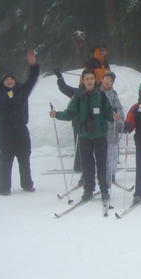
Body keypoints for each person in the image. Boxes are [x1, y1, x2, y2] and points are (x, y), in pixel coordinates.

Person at [0, 43, 39, 195]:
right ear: (2, 83)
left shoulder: (23, 90)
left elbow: (32, 78)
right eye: (6, 79)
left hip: (21, 131)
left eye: (12, 79)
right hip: (5, 132)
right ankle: (4, 188)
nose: (10, 81)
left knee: (24, 160)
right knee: (5, 161)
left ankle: (27, 184)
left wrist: (33, 66)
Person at [49, 70, 118, 202]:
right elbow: (70, 113)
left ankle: (104, 189)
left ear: (95, 80)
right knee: (86, 165)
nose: (89, 81)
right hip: (84, 136)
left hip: (99, 136)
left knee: (102, 164)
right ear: (83, 81)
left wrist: (113, 115)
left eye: (91, 78)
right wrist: (56, 114)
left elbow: (108, 112)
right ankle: (88, 190)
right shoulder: (78, 96)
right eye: (87, 79)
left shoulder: (101, 95)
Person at [54, 68, 83, 174]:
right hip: (78, 123)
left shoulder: (96, 92)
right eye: (84, 79)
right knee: (79, 145)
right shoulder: (76, 92)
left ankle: (91, 165)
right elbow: (64, 88)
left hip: (92, 124)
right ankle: (78, 166)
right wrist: (60, 77)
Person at [100, 71, 124, 188]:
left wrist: (120, 121)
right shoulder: (95, 93)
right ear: (102, 79)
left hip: (111, 129)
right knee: (97, 153)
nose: (108, 81)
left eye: (111, 81)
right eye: (107, 79)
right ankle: (97, 175)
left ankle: (111, 174)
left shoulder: (113, 96)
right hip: (97, 129)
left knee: (112, 153)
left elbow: (119, 110)